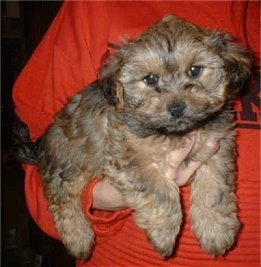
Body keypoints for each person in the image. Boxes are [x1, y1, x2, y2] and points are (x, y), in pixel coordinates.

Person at [13, 1, 260, 266]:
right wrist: (105, 200)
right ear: (118, 90)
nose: (176, 101)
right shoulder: (92, 8)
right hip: (121, 254)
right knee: (65, 167)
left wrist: (213, 211)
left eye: (194, 71)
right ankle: (65, 205)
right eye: (151, 81)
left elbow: (218, 163)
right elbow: (40, 138)